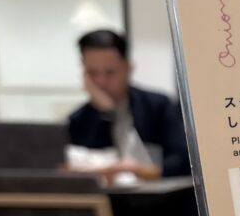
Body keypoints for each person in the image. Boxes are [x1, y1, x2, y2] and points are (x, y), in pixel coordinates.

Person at [68, 29, 190, 178]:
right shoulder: (78, 120)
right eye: (92, 73)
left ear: (128, 67)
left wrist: (144, 171)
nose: (101, 82)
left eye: (110, 72)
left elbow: (183, 161)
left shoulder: (158, 106)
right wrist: (106, 113)